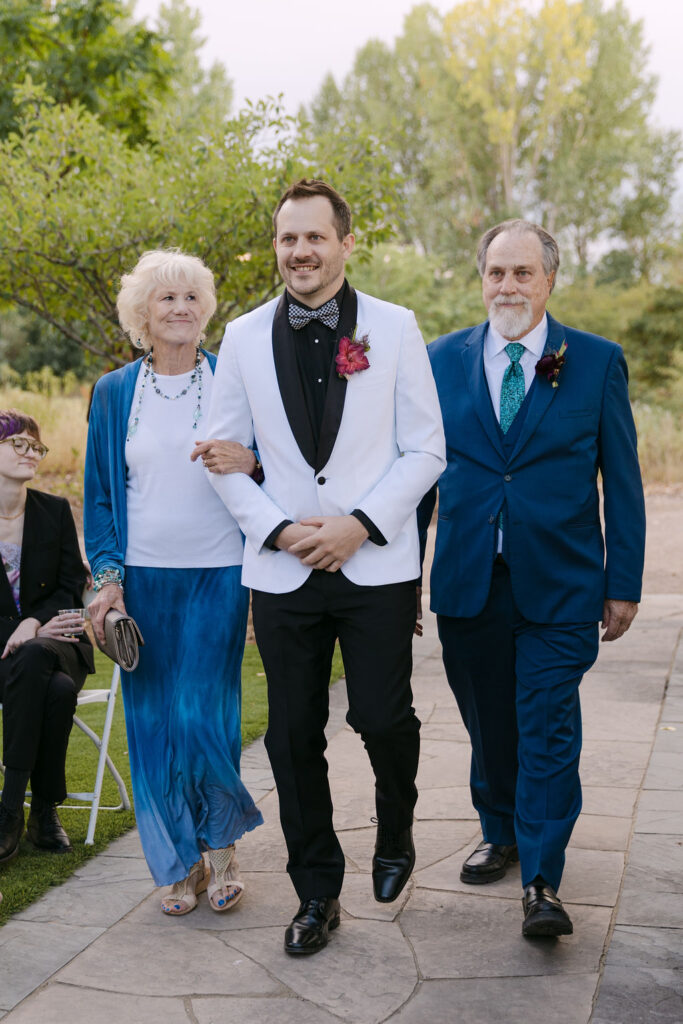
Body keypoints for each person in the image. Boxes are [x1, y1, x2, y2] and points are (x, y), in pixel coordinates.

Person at [196, 178, 446, 955]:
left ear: (344, 243)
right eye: (286, 239)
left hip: (373, 566)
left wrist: (358, 526)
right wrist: (275, 532)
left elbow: (426, 449)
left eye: (313, 237)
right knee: (291, 737)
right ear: (275, 248)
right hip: (282, 574)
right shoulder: (238, 338)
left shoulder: (395, 328)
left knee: (380, 718)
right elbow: (218, 454)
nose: (299, 252)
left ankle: (395, 830)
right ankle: (315, 891)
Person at [418, 219, 645, 938]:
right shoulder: (438, 360)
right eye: (496, 273)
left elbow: (623, 481)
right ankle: (501, 829)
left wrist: (624, 580)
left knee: (545, 721)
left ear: (548, 280)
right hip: (466, 577)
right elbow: (417, 474)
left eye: (522, 273)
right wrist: (398, 580)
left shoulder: (596, 361)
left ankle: (543, 877)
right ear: (480, 278)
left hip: (561, 582)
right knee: (488, 721)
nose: (507, 286)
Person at [84, 249, 263, 916]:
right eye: (167, 298)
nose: (182, 308)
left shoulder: (231, 384)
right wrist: (109, 580)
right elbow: (101, 495)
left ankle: (221, 854)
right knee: (154, 721)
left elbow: (268, 466)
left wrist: (250, 459)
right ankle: (179, 863)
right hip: (145, 582)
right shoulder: (113, 392)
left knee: (205, 715)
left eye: (192, 297)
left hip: (219, 574)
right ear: (142, 314)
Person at [0, 409, 94, 862]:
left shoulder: (53, 511)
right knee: (53, 691)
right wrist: (17, 632)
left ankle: (8, 808)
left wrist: (33, 622)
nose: (31, 453)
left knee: (39, 658)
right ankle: (41, 810)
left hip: (60, 643)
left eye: (37, 446)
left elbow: (69, 586)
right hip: (6, 658)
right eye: (19, 443)